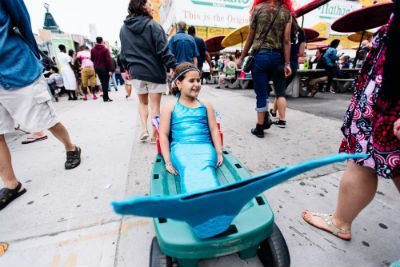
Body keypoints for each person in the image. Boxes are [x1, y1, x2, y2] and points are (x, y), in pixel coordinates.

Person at [303, 3, 400, 241]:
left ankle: (340, 221)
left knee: (368, 159)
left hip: (390, 99)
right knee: (362, 158)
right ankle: (340, 221)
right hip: (383, 91)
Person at [0, 0, 81, 211]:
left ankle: (71, 148)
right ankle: (12, 184)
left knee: (46, 120)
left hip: (16, 68)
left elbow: (23, 22)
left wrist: (34, 55)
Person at [159, 62, 223, 193]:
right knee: (188, 168)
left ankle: (214, 199)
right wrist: (167, 161)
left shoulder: (206, 105)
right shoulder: (169, 106)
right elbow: (163, 135)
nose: (196, 84)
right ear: (179, 84)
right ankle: (192, 202)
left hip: (205, 148)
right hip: (181, 149)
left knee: (206, 169)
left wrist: (218, 152)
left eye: (198, 80)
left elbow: (214, 129)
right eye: (191, 81)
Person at [120, 0, 177, 142]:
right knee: (155, 105)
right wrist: (174, 66)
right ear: (142, 6)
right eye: (150, 5)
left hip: (136, 73)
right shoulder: (153, 26)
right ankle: (154, 134)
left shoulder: (124, 29)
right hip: (154, 71)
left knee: (143, 103)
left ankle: (144, 129)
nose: (152, 9)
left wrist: (127, 68)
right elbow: (163, 50)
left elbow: (123, 53)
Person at [238, 0, 293, 138]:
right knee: (277, 89)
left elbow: (250, 38)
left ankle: (259, 127)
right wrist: (287, 63)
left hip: (260, 56)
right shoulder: (286, 12)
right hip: (277, 57)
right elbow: (286, 40)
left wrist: (241, 57)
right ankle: (267, 117)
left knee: (261, 93)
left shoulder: (257, 9)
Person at [270, 16, 305, 128]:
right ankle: (274, 112)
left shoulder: (281, 30)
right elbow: (301, 52)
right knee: (281, 89)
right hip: (294, 65)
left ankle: (282, 120)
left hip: (281, 64)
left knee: (280, 93)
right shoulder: (301, 32)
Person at [91, 36, 113, 102]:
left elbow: (92, 59)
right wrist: (110, 70)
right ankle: (105, 98)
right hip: (104, 68)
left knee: (102, 82)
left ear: (96, 41)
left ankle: (105, 97)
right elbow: (108, 60)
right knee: (105, 83)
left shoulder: (92, 50)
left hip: (97, 68)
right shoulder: (105, 50)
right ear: (102, 41)